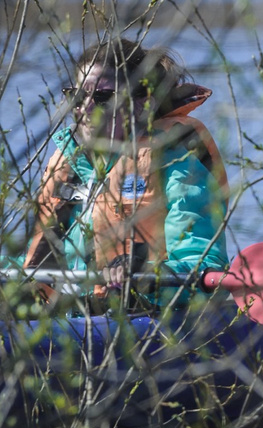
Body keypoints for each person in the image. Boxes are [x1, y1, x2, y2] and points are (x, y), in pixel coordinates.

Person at [24, 40, 232, 289]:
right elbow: (32, 261)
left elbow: (200, 257)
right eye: (78, 96)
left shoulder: (177, 158)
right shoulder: (67, 166)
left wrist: (144, 272)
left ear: (142, 103)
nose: (86, 108)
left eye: (102, 97)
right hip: (73, 314)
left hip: (154, 313)